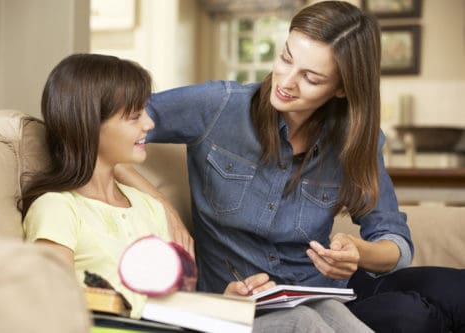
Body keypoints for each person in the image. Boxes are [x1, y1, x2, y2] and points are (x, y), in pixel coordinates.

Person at [115, 1, 465, 332]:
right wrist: (162, 205)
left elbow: (394, 242)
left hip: (333, 293)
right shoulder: (217, 107)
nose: (285, 82)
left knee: (457, 291)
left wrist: (359, 253)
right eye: (285, 58)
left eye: (311, 78)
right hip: (254, 304)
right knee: (412, 317)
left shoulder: (356, 138)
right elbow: (99, 129)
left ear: (342, 89)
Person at [20, 53, 371, 332]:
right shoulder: (57, 209)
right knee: (301, 324)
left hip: (182, 325)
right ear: (88, 124)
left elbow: (175, 302)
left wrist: (226, 300)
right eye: (133, 115)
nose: (149, 123)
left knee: (324, 308)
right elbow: (53, 307)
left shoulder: (149, 208)